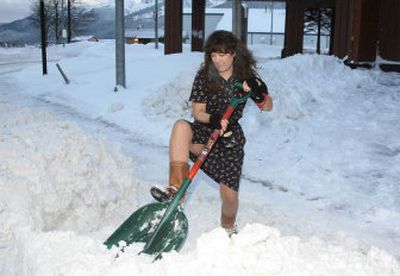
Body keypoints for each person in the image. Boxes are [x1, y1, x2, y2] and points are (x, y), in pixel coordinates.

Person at [151, 30, 273, 236]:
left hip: (229, 141)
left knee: (230, 197)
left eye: (222, 55)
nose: (217, 60)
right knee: (181, 126)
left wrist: (258, 92)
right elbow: (198, 112)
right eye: (213, 56)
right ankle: (175, 191)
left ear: (233, 53)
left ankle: (228, 228)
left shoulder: (245, 78)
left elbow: (268, 107)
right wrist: (214, 118)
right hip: (205, 132)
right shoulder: (205, 76)